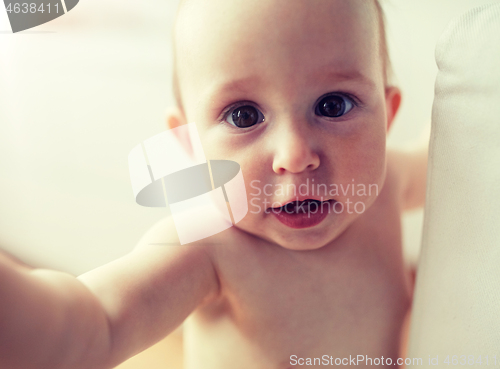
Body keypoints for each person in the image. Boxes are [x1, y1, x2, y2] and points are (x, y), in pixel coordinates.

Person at [0, 0, 428, 368]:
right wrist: (24, 313)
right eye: (244, 115)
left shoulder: (387, 185)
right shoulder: (207, 246)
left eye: (333, 105)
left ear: (387, 118)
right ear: (190, 146)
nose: (294, 155)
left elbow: (463, 149)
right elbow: (100, 324)